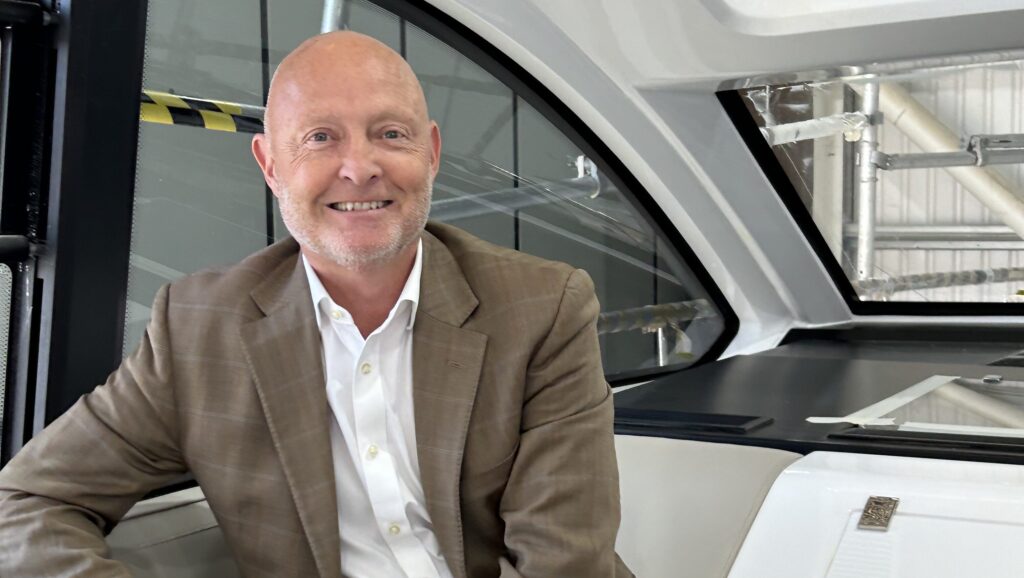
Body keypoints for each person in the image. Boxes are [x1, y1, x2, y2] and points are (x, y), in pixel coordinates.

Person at [0, 31, 631, 577]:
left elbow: (563, 563)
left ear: (432, 153)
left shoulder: (543, 308)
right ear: (270, 164)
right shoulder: (197, 329)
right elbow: (27, 501)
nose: (359, 168)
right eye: (320, 138)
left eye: (390, 134)